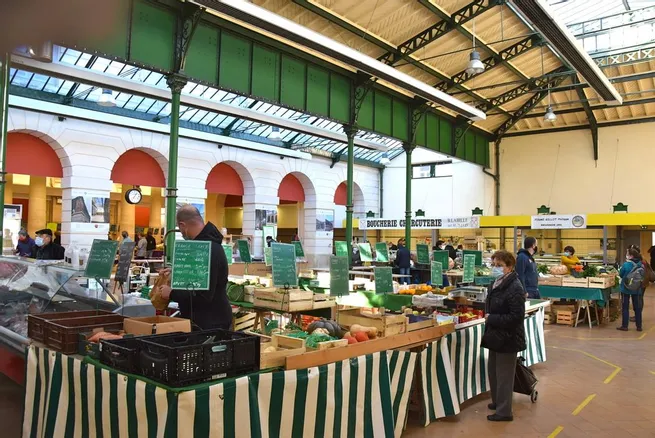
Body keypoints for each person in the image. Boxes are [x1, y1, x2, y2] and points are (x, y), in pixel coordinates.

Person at [158, 205, 232, 330]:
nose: (181, 233)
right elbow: (199, 276)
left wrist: (171, 293)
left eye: (180, 229)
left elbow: (203, 294)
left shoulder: (206, 249)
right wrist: (179, 273)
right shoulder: (207, 246)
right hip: (207, 319)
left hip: (211, 323)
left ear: (183, 225)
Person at [482, 250, 526, 422]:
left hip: (508, 337)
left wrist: (492, 318)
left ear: (509, 267)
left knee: (504, 376)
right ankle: (498, 402)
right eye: (493, 265)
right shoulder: (496, 283)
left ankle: (504, 411)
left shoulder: (515, 287)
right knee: (493, 371)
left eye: (499, 265)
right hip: (495, 334)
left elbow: (516, 317)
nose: (495, 268)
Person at [617, 248, 645, 332]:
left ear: (631, 256)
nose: (627, 255)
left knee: (625, 307)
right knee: (637, 307)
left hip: (626, 288)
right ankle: (639, 326)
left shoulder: (626, 265)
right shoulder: (641, 264)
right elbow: (643, 276)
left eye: (627, 254)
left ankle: (625, 326)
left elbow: (621, 274)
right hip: (637, 289)